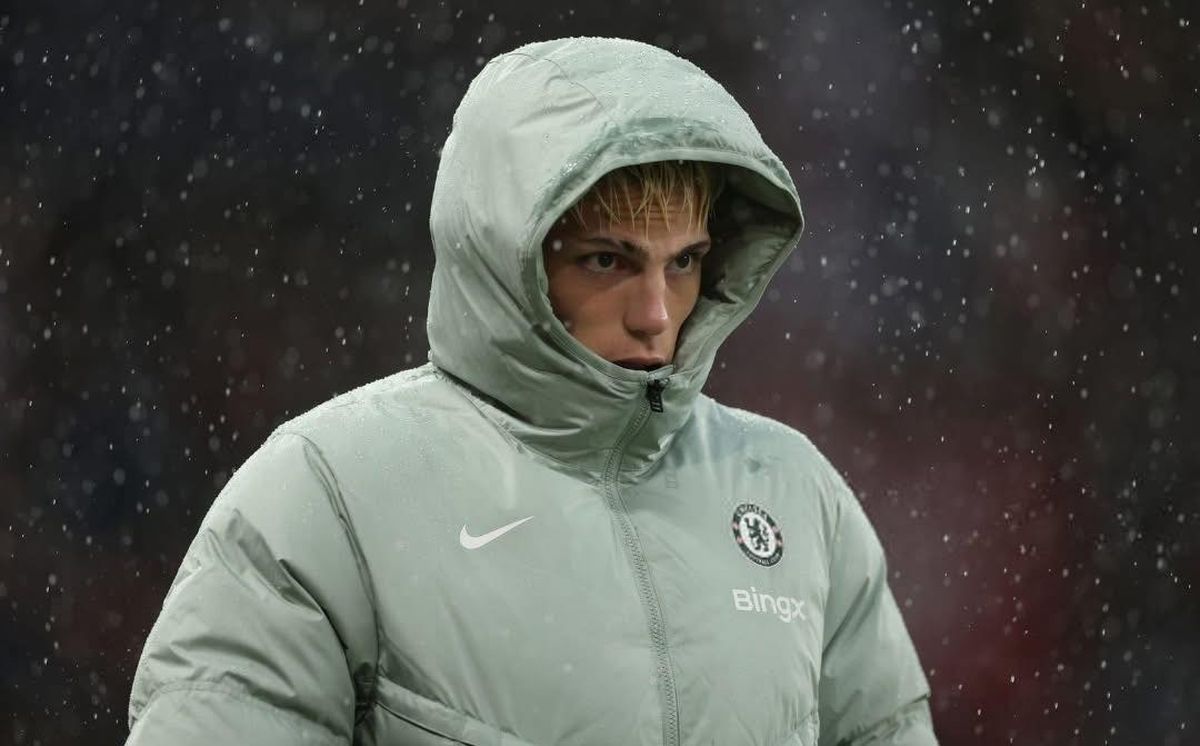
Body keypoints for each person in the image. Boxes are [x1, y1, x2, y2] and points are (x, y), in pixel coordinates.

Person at [126, 37, 938, 745]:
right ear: (502, 258)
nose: (657, 315)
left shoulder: (796, 496)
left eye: (684, 262)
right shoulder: (324, 495)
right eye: (607, 260)